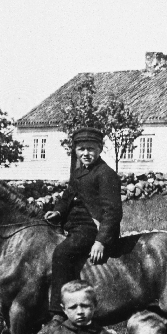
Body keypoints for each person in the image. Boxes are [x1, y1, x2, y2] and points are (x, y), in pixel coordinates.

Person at [43, 127, 122, 322]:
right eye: (81, 149)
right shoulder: (78, 173)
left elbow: (112, 211)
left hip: (90, 227)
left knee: (62, 253)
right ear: (75, 151)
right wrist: (58, 211)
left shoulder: (105, 174)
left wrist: (101, 241)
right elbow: (68, 196)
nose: (86, 153)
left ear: (100, 149)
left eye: (90, 149)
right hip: (73, 222)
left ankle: (58, 311)